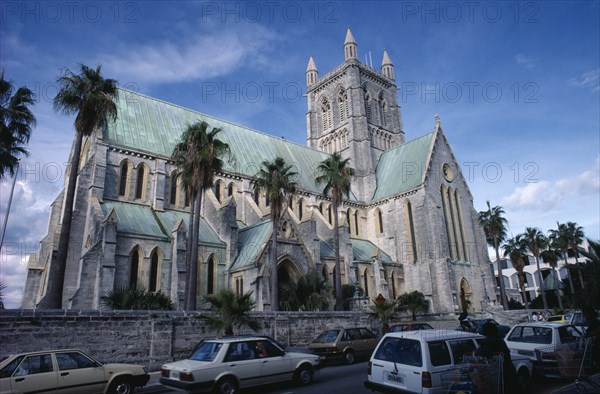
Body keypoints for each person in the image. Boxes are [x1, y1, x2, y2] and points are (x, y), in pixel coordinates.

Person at [474, 322, 517, 394]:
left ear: (487, 330)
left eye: (483, 329)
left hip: (501, 373)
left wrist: (475, 353)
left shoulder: (489, 340)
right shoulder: (498, 338)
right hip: (507, 370)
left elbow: (482, 353)